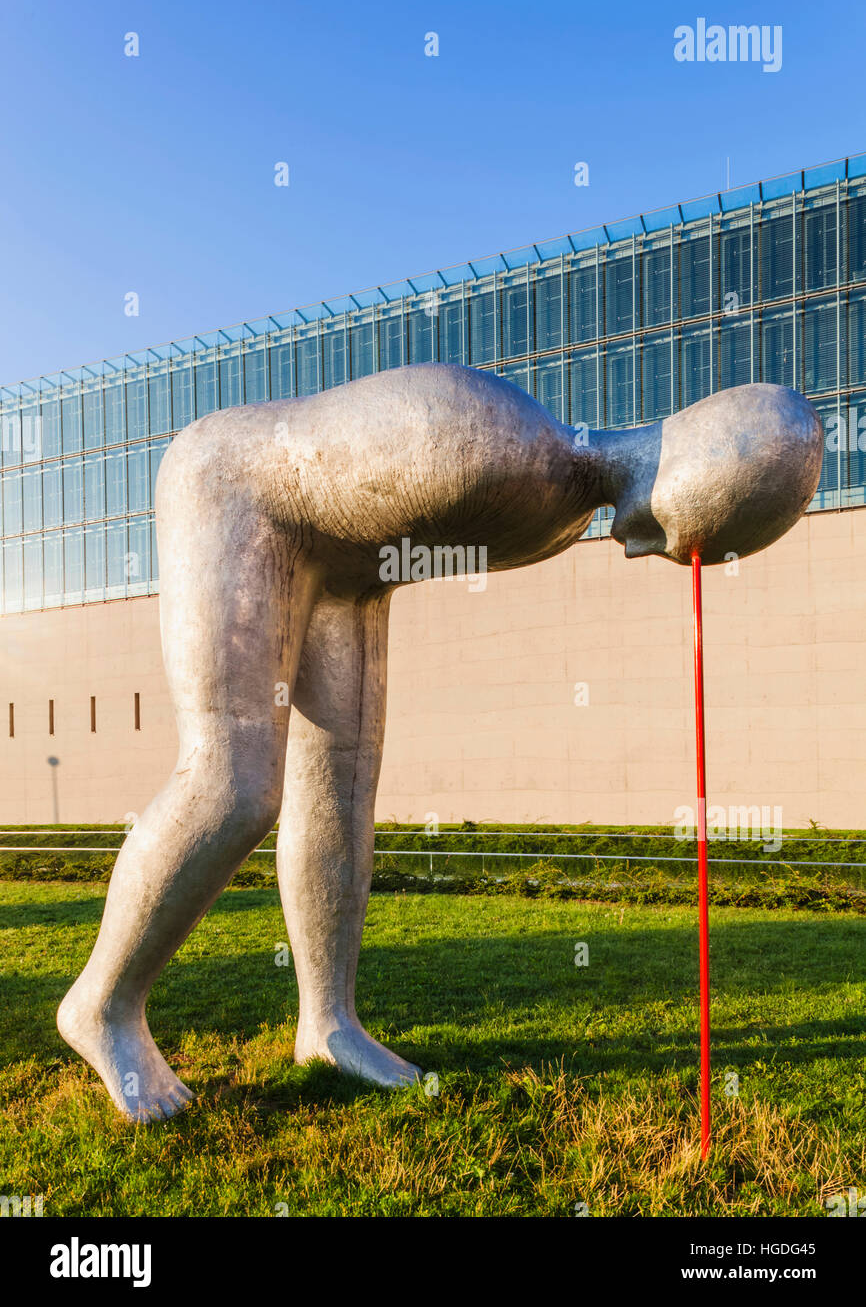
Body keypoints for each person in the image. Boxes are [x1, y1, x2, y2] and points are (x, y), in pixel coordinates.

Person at [57, 362, 822, 1121]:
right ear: (692, 473)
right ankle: (103, 1006)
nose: (639, 548)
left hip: (347, 569)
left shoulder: (554, 503)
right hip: (235, 496)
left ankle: (328, 1023)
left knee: (343, 791)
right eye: (681, 537)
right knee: (236, 783)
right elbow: (364, 460)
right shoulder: (519, 455)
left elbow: (396, 532)